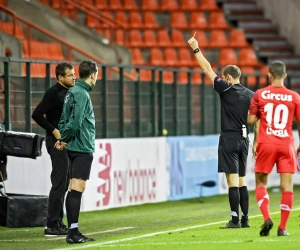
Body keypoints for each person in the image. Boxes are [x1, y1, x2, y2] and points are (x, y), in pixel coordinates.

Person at [188, 34, 254, 228]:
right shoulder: (251, 95)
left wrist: (196, 49)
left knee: (231, 180)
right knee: (242, 180)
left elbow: (207, 68)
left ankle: (234, 219)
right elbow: (256, 119)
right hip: (245, 139)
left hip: (230, 138)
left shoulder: (226, 89)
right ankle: (246, 219)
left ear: (227, 77)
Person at [248, 61, 300, 237]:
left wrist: (257, 113)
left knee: (261, 183)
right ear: (285, 76)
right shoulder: (294, 96)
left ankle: (266, 218)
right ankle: (282, 227)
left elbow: (250, 120)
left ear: (269, 75)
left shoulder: (260, 94)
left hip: (266, 143)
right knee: (287, 187)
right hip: (286, 144)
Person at [56, 60, 98, 244]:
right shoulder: (81, 93)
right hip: (81, 146)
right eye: (96, 75)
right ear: (92, 75)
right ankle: (73, 233)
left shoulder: (72, 91)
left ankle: (72, 230)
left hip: (73, 145)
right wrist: (64, 139)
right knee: (77, 189)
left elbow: (63, 119)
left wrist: (62, 138)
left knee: (73, 188)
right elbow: (75, 122)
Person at [32, 62, 76, 236]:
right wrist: (54, 130)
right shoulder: (53, 93)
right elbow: (36, 114)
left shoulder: (70, 92)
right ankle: (51, 224)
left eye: (74, 74)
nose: (74, 77)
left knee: (64, 182)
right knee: (59, 182)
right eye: (70, 75)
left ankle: (58, 221)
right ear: (60, 78)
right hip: (56, 142)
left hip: (66, 142)